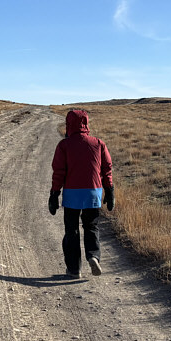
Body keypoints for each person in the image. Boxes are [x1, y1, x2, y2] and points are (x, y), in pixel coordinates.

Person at [48, 109, 114, 279]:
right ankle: (93, 256)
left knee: (72, 231)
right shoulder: (99, 143)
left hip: (72, 195)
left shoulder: (64, 145)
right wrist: (110, 191)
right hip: (93, 193)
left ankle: (73, 270)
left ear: (68, 124)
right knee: (91, 227)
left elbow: (59, 172)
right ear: (86, 123)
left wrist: (54, 194)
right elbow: (107, 169)